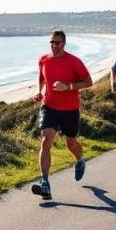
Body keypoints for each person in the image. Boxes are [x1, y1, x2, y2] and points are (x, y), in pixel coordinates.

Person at [31, 29, 92, 200]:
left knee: (71, 143)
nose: (53, 45)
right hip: (49, 106)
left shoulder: (74, 61)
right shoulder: (43, 60)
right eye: (51, 42)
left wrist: (68, 87)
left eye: (56, 42)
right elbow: (42, 78)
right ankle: (45, 183)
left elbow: (89, 82)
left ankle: (80, 160)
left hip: (70, 109)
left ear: (64, 43)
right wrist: (39, 92)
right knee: (46, 139)